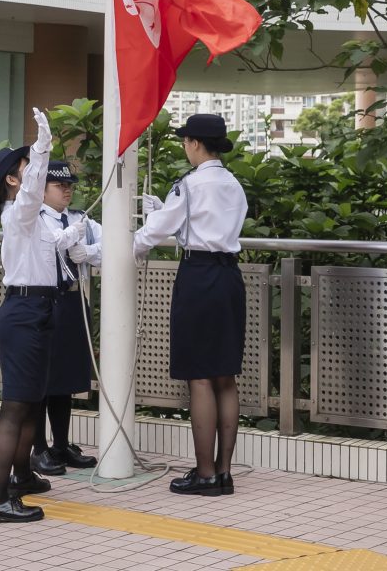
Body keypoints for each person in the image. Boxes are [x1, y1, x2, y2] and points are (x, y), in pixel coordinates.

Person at [0, 110, 89, 524]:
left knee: (29, 405)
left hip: (37, 309)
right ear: (13, 180)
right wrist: (42, 146)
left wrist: (72, 235)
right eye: (27, 167)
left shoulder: (30, 218)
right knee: (15, 408)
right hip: (24, 312)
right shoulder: (20, 211)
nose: (35, 173)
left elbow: (52, 244)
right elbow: (31, 195)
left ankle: (22, 477)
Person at [133, 112, 247, 497]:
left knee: (199, 375)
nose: (185, 147)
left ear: (195, 143)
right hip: (230, 277)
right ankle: (224, 473)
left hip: (198, 277)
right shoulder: (233, 183)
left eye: (186, 141)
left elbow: (156, 231)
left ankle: (204, 474)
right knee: (225, 376)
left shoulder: (189, 184)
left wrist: (121, 248)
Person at [29, 159, 102, 476]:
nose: (67, 190)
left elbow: (111, 244)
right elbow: (44, 248)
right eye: (59, 185)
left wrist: (90, 251)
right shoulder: (34, 219)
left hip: (73, 300)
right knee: (42, 378)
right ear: (43, 189)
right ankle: (38, 448)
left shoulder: (79, 218)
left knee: (66, 377)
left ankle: (61, 444)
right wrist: (70, 237)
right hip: (46, 300)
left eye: (69, 185)